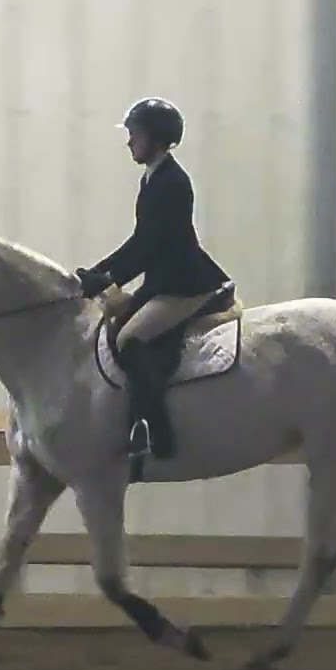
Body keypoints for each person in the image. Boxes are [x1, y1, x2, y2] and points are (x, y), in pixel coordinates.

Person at [75, 97, 233, 463]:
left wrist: (109, 277)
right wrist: (99, 270)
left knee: (131, 339)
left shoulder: (172, 183)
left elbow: (154, 245)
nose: (129, 141)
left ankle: (152, 431)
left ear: (156, 138)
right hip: (164, 280)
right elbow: (139, 240)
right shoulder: (154, 178)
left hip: (184, 284)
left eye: (136, 134)